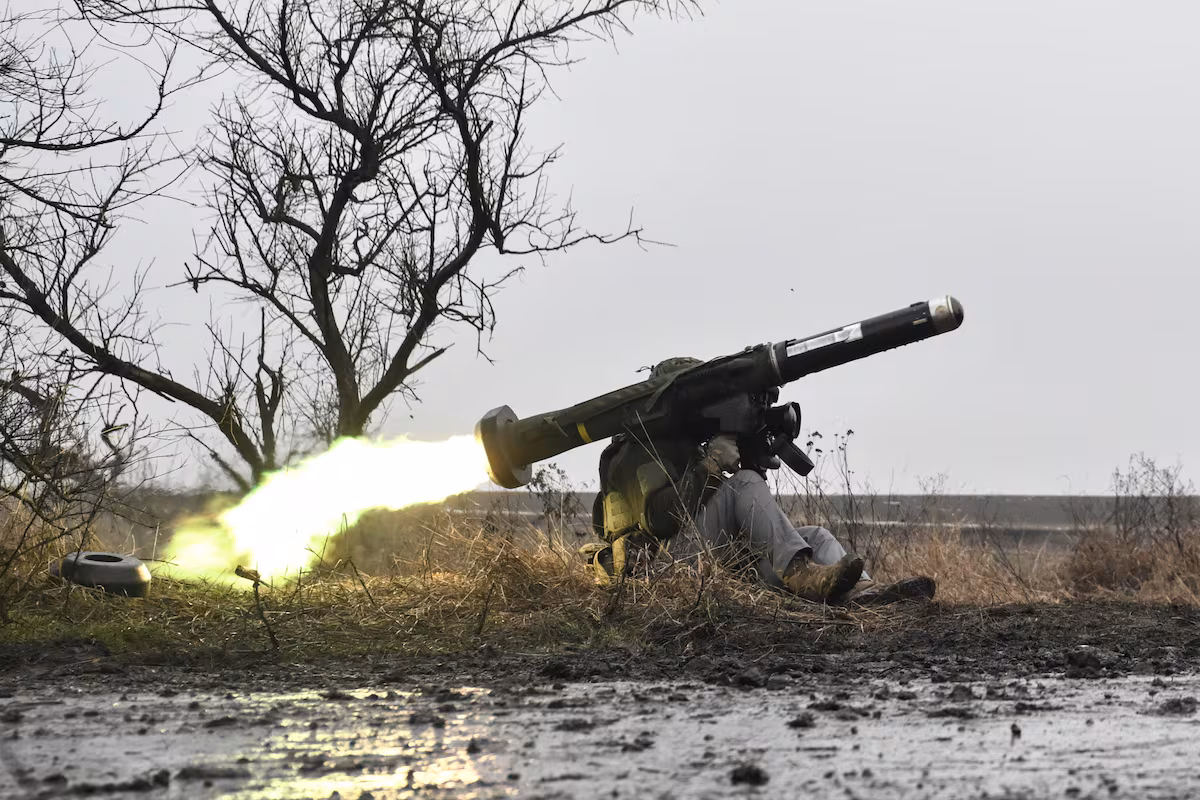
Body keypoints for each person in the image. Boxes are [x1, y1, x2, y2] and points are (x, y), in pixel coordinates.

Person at [584, 357, 936, 606]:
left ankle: (864, 594)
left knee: (817, 537)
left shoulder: (685, 445)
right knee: (746, 481)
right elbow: (661, 519)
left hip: (705, 565)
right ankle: (799, 574)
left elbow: (731, 511)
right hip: (659, 573)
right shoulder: (638, 450)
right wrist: (712, 467)